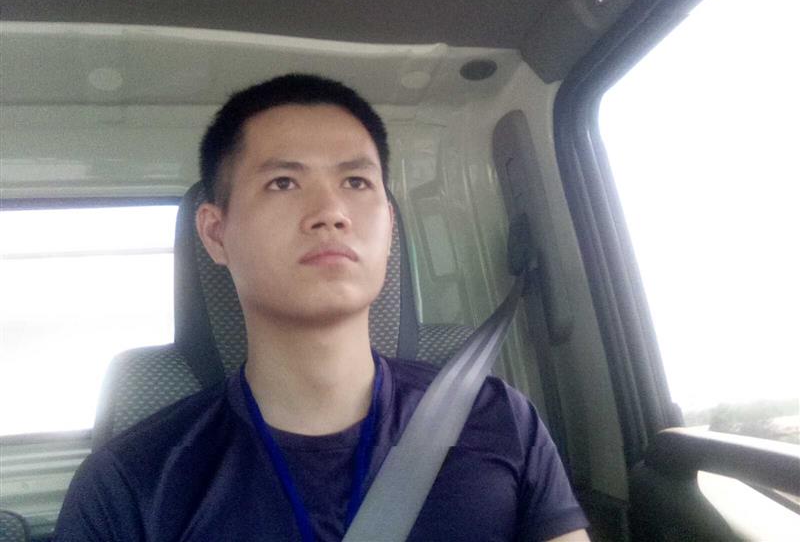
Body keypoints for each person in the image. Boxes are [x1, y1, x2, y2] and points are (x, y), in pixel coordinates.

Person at [55, 74, 590, 541]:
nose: (331, 212)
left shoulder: (497, 418)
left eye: (356, 182)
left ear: (389, 224)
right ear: (216, 234)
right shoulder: (131, 482)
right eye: (283, 182)